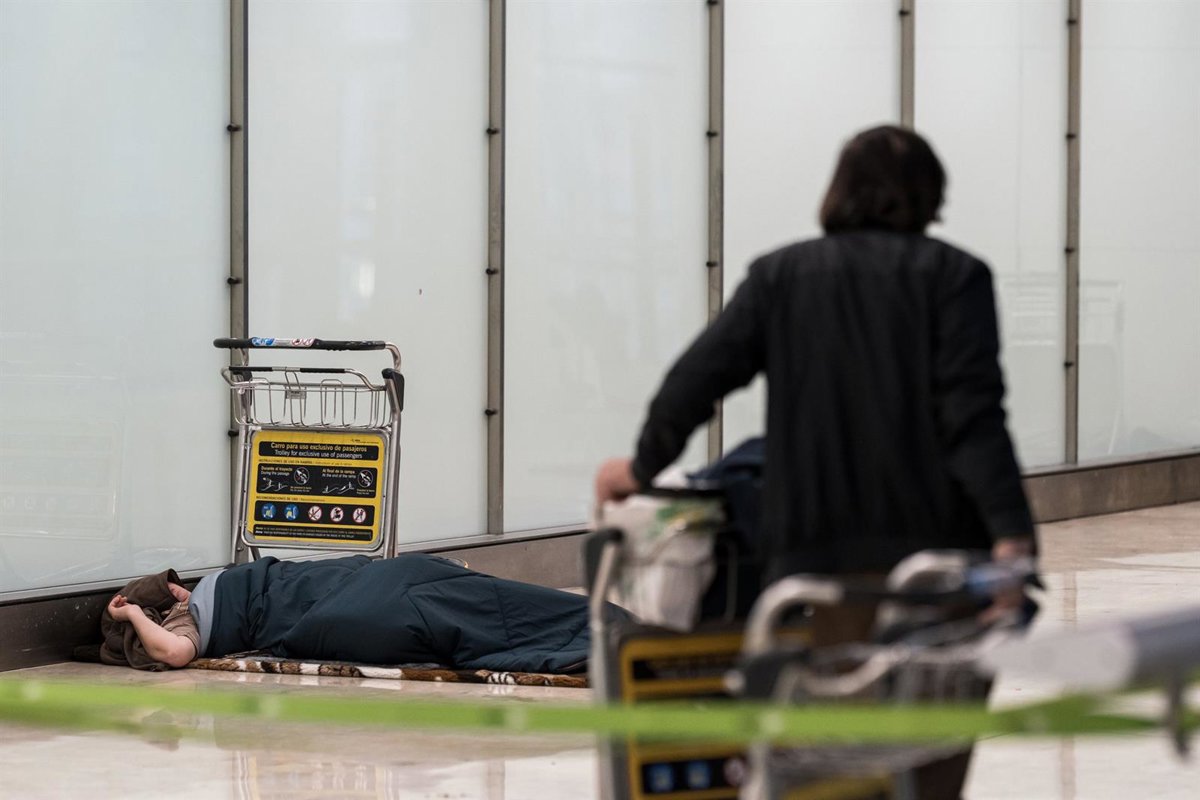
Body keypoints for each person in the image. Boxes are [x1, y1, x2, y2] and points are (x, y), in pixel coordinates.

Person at [596, 125, 1036, 582]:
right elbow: (973, 415)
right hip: (934, 548)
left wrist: (641, 468)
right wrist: (1011, 531)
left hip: (809, 552)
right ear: (932, 193)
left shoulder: (779, 276)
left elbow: (693, 381)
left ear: (839, 190)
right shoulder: (956, 275)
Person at [95, 553, 606, 674]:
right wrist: (133, 615)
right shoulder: (185, 622)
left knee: (472, 599)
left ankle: (593, 624)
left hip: (356, 585)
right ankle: (593, 627)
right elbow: (173, 654)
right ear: (165, 605)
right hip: (351, 603)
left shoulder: (211, 588)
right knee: (468, 606)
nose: (177, 587)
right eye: (167, 589)